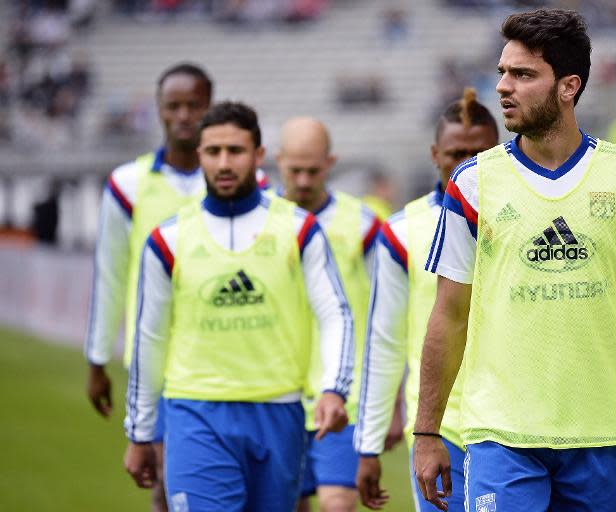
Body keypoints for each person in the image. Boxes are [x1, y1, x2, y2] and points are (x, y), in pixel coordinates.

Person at [413, 9, 616, 511]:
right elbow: (449, 314)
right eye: (502, 72)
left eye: (522, 74)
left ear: (568, 86)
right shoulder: (472, 184)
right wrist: (427, 430)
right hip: (501, 435)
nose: (502, 87)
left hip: (603, 435)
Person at [122, 101, 352, 511]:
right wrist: (140, 431)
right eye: (213, 152)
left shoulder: (299, 229)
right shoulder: (168, 240)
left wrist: (334, 388)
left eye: (236, 151)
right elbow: (148, 338)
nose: (224, 163)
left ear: (259, 156)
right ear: (200, 156)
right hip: (195, 413)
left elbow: (335, 313)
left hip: (277, 413)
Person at [354, 88, 498, 511]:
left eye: (480, 152)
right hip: (440, 427)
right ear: (436, 154)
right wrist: (370, 440)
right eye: (456, 153)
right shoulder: (403, 231)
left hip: (513, 425)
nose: (467, 163)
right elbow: (385, 338)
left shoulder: (525, 217)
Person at [84, 62, 213, 512]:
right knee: (163, 483)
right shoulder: (127, 184)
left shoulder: (239, 182)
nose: (183, 115)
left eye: (193, 105)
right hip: (154, 353)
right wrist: (97, 358)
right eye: (173, 106)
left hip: (220, 350)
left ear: (209, 108)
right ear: (158, 111)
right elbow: (111, 273)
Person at [272, 117, 383, 512]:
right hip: (277, 394)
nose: (302, 180)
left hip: (343, 396)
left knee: (338, 504)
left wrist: (391, 392)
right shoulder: (260, 222)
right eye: (294, 170)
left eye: (313, 170)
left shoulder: (364, 223)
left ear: (330, 162)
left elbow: (384, 309)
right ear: (277, 160)